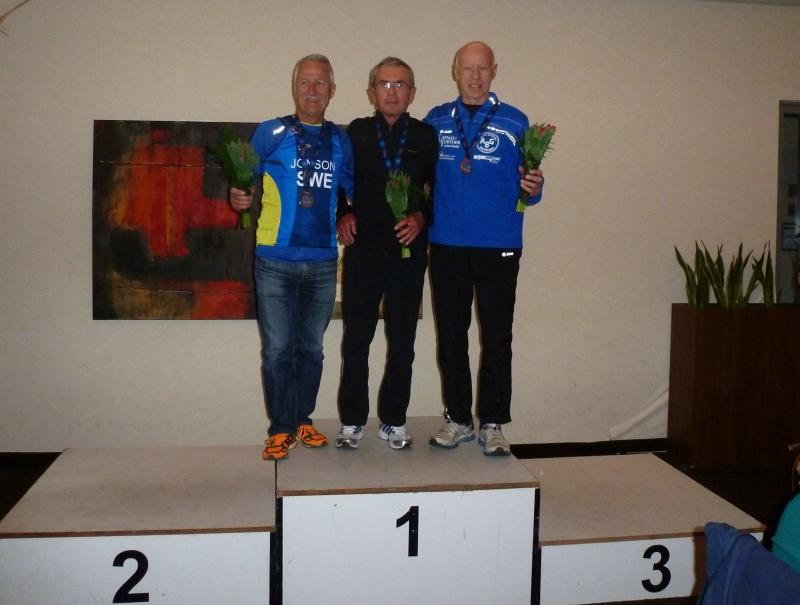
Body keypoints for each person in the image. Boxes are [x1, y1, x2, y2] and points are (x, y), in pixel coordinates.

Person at [230, 54, 354, 461]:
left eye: (320, 83)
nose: (312, 90)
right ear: (294, 87)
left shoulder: (341, 140)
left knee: (312, 349)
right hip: (274, 260)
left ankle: (302, 419)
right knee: (278, 350)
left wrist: (358, 212)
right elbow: (243, 182)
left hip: (323, 260)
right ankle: (281, 428)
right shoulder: (271, 132)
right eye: (305, 82)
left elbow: (354, 190)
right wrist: (238, 195)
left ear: (332, 90)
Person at [425, 41, 544, 456]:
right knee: (451, 336)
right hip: (446, 244)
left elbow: (530, 188)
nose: (474, 77)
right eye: (467, 69)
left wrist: (535, 187)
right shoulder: (436, 120)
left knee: (497, 337)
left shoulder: (516, 121)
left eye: (482, 69)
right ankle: (458, 419)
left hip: (499, 246)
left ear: (494, 71)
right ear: (455, 71)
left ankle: (492, 422)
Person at [335, 57, 438, 450]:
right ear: (371, 92)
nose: (392, 92)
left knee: (402, 340)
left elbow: (439, 191)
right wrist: (343, 214)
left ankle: (394, 419)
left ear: (412, 93)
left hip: (407, 253)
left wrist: (421, 216)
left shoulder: (426, 137)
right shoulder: (357, 133)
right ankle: (352, 420)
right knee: (356, 338)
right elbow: (339, 183)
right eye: (384, 84)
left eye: (400, 84)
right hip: (363, 252)